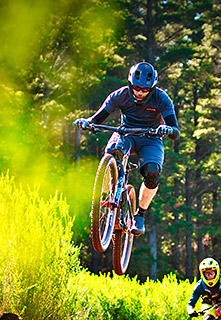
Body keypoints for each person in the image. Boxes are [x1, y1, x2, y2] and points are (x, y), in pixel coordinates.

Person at [73, 62, 180, 236]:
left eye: (145, 90)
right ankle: (104, 199)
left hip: (150, 138)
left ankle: (140, 214)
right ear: (130, 85)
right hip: (125, 133)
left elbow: (175, 131)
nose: (140, 92)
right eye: (137, 88)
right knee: (112, 153)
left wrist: (167, 129)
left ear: (152, 89)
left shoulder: (161, 98)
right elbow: (98, 117)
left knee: (152, 172)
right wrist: (87, 122)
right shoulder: (119, 95)